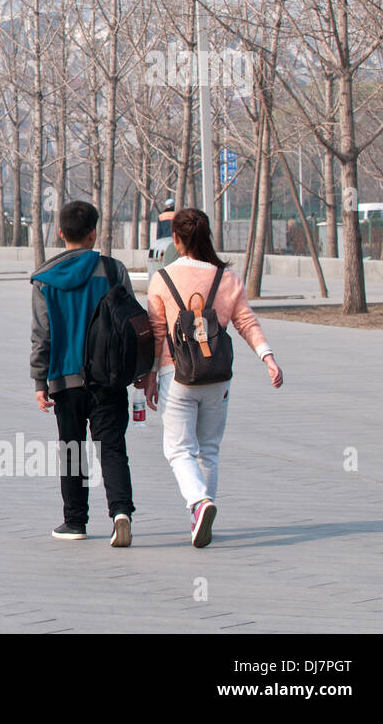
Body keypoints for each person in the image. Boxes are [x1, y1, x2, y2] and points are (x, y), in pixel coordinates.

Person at [147, 208, 284, 549]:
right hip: (218, 377)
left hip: (176, 375)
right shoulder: (227, 278)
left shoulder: (162, 279)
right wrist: (268, 358)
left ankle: (198, 503)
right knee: (208, 449)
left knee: (178, 449)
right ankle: (202, 512)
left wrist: (149, 376)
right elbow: (246, 322)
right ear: (207, 236)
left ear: (176, 240)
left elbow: (157, 333)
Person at [30, 200, 150, 547]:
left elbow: (43, 334)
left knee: (71, 448)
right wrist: (141, 369)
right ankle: (121, 513)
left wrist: (40, 381)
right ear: (94, 232)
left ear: (60, 233)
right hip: (108, 378)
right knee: (112, 446)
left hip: (65, 379)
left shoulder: (44, 279)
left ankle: (75, 521)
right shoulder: (113, 271)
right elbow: (132, 324)